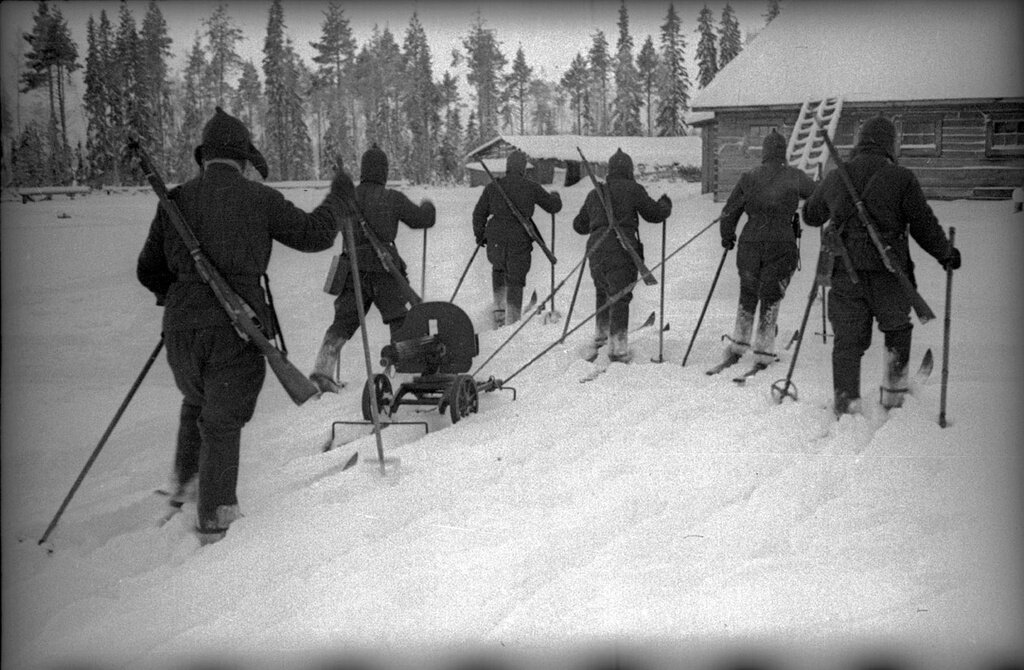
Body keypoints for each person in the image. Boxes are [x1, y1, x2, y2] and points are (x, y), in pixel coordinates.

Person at [137, 107, 347, 544]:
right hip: (235, 333)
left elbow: (147, 270)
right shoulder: (259, 198)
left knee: (197, 400)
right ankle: (215, 519)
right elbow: (314, 235)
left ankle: (184, 486)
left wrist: (180, 298)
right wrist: (338, 200)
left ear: (205, 156)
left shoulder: (174, 200)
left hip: (180, 334)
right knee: (222, 420)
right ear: (242, 158)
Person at [803, 115, 960, 415]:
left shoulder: (837, 176)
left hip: (845, 274)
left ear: (861, 141)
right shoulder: (901, 177)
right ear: (889, 143)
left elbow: (811, 216)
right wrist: (945, 253)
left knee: (847, 341)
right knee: (897, 330)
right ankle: (893, 397)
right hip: (890, 274)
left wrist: (824, 192)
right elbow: (923, 224)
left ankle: (845, 404)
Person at [310, 144, 435, 393]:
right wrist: (428, 207)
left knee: (342, 322)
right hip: (385, 271)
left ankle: (323, 370)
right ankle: (401, 370)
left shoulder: (347, 197)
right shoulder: (392, 198)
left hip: (352, 271)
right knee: (399, 320)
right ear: (384, 171)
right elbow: (423, 219)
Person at [716, 129, 817, 372]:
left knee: (748, 292)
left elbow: (729, 211)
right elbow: (819, 197)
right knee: (770, 295)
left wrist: (727, 237)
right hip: (781, 244)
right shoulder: (795, 176)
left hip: (750, 245)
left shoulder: (748, 177)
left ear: (764, 153)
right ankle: (763, 349)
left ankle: (740, 343)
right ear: (783, 152)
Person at [572, 148, 672, 362]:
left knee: (603, 291)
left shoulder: (595, 193)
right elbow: (654, 214)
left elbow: (578, 225)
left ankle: (601, 335)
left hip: (596, 252)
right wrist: (665, 205)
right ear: (628, 170)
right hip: (622, 250)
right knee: (619, 297)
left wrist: (596, 218)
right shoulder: (632, 189)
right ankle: (617, 349)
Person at [472, 150, 562, 328]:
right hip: (518, 239)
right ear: (523, 168)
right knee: (515, 278)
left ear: (507, 167)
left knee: (498, 269)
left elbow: (479, 214)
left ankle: (499, 312)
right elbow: (553, 207)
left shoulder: (493, 187)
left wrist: (480, 235)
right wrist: (555, 197)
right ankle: (511, 321)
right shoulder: (530, 186)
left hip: (495, 238)